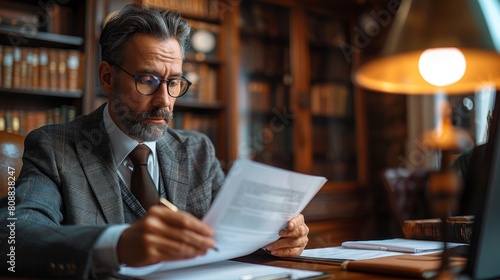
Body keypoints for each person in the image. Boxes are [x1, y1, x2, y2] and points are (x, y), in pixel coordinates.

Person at [0, 4, 309, 279]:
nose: (165, 101)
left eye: (174, 82)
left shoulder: (197, 150)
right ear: (107, 77)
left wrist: (274, 239)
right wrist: (117, 245)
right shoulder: (54, 148)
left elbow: (232, 233)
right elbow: (12, 238)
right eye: (147, 80)